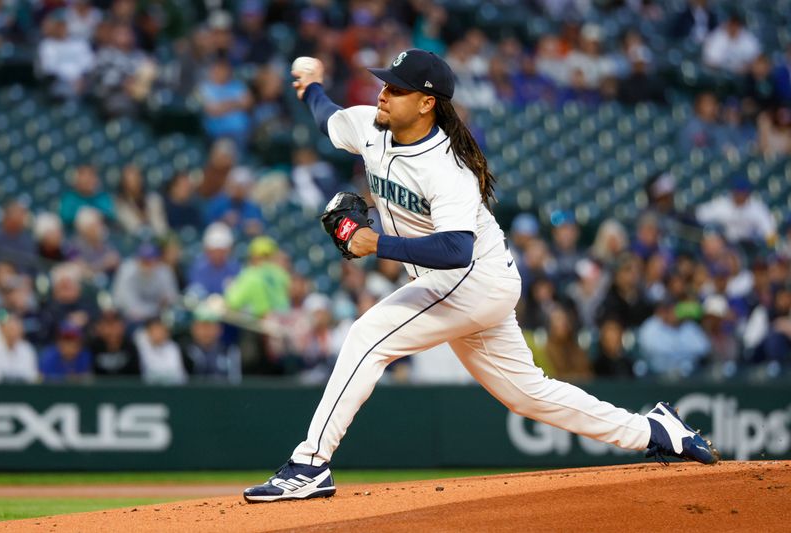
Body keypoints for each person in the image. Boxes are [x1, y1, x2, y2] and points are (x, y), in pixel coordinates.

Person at [242, 49, 718, 503]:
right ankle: (656, 431)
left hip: (472, 277)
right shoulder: (371, 126)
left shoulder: (447, 169)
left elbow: (455, 249)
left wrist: (377, 244)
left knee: (369, 335)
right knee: (527, 394)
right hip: (465, 282)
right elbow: (328, 117)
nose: (384, 93)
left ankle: (310, 465)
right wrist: (311, 87)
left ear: (427, 103)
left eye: (398, 89)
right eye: (385, 83)